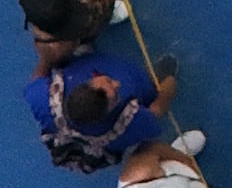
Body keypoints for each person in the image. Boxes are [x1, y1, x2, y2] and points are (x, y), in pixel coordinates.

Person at [30, 30, 177, 173]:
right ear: (106, 114)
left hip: (80, 63)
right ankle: (155, 77)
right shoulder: (129, 126)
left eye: (107, 81)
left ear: (83, 86)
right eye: (115, 95)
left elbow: (38, 77)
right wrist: (168, 87)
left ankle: (82, 51)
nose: (117, 84)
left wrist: (54, 54)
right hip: (139, 84)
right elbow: (156, 109)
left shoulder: (44, 103)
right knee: (152, 83)